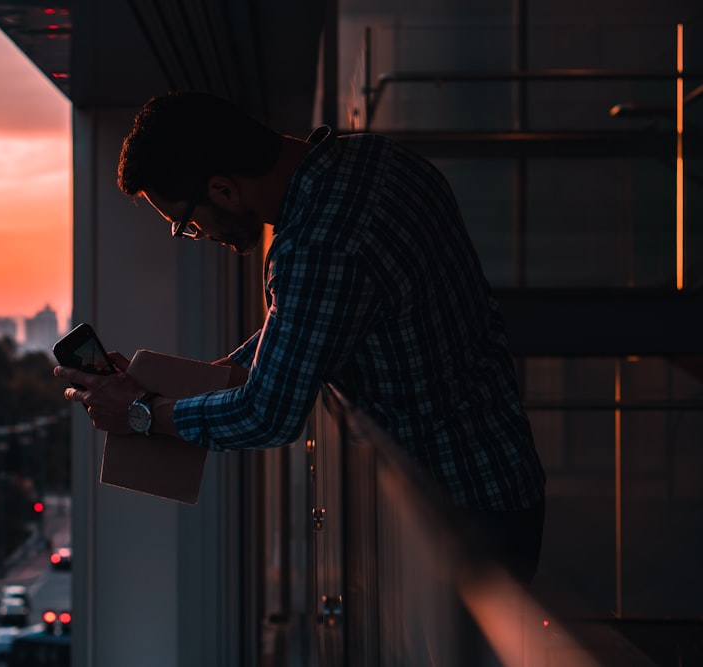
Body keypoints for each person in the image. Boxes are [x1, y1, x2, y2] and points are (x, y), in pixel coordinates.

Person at [53, 90, 546, 582]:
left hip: (459, 510)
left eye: (187, 224)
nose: (198, 235)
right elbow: (300, 333)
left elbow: (268, 413)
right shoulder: (373, 157)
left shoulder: (315, 244)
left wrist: (141, 414)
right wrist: (150, 387)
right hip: (495, 472)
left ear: (223, 190)